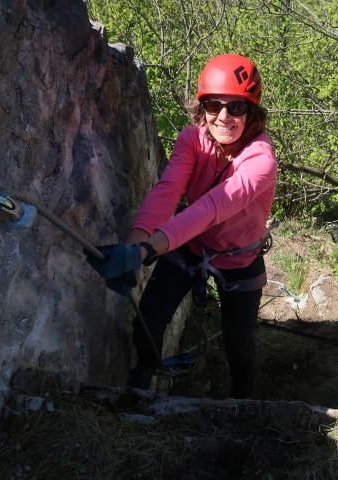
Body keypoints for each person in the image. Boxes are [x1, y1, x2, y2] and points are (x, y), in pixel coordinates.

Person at [86, 54, 277, 398]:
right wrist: (134, 244)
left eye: (237, 107)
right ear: (202, 108)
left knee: (239, 345)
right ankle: (146, 371)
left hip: (239, 261)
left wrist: (146, 250)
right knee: (147, 323)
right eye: (214, 105)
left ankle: (245, 408)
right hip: (191, 247)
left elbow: (212, 207)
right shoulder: (192, 140)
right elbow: (167, 192)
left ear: (252, 113)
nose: (223, 117)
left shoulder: (260, 160)